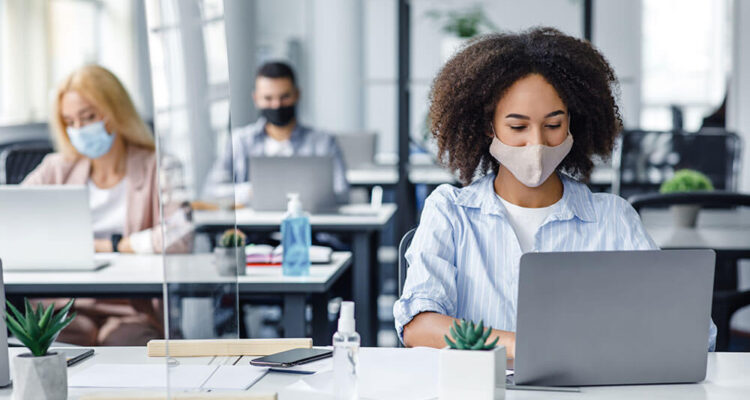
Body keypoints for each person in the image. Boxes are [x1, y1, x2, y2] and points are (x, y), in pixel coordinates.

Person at [393, 28, 717, 357]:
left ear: (572, 124)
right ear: (489, 126)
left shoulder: (612, 219)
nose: (537, 143)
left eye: (552, 126)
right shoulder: (450, 212)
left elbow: (693, 331)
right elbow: (419, 326)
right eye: (518, 126)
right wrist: (527, 347)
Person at [23, 64, 188, 345]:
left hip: (133, 308)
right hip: (64, 306)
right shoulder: (56, 168)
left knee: (127, 344)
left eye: (87, 117)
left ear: (116, 112)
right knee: (54, 346)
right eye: (69, 122)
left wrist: (112, 245)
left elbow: (180, 235)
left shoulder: (158, 165)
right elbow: (14, 219)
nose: (78, 129)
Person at [204, 61, 349, 204]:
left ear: (297, 95)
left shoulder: (323, 142)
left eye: (284, 97)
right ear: (256, 99)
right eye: (268, 98)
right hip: (250, 226)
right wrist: (250, 192)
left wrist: (308, 195)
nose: (276, 105)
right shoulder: (240, 141)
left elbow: (342, 192)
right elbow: (212, 191)